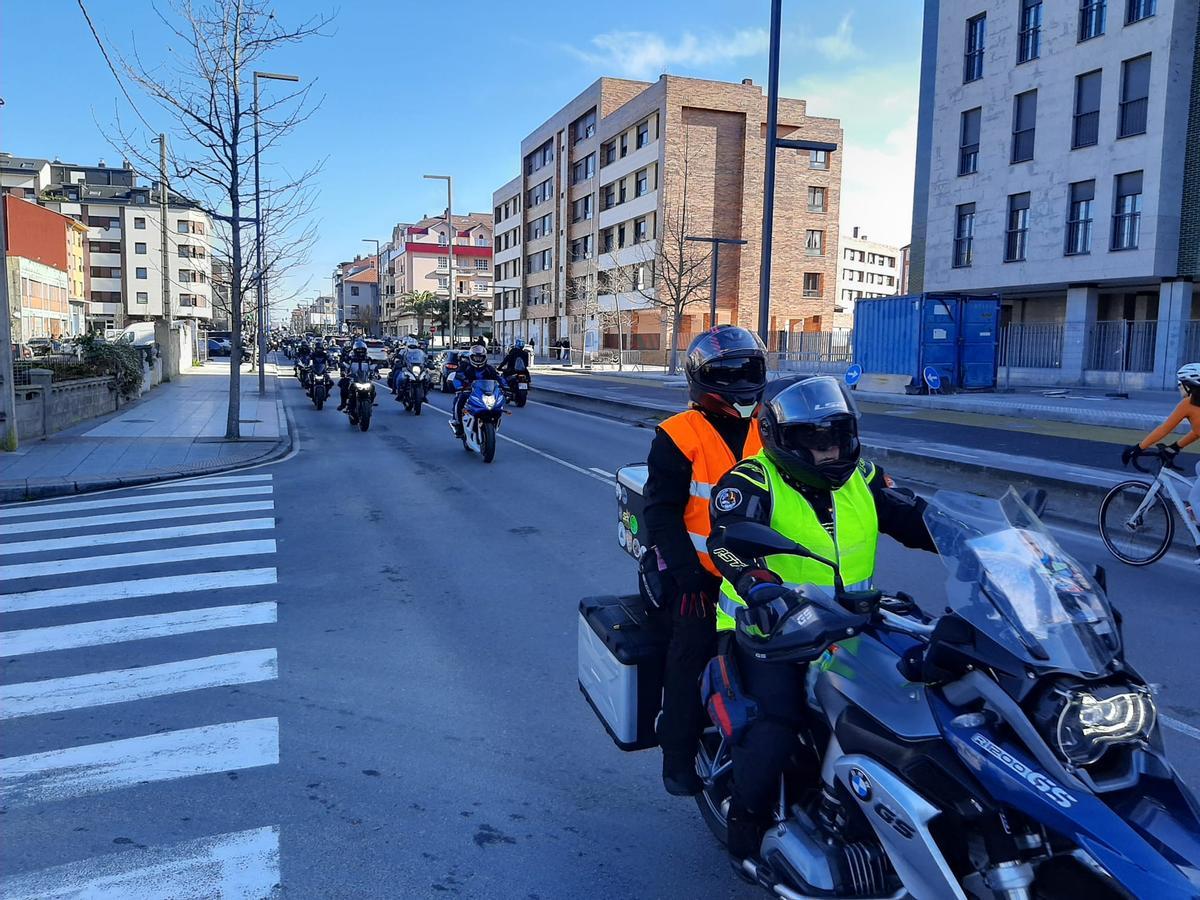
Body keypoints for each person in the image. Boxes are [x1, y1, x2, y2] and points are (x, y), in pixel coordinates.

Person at [704, 376, 936, 865]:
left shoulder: (863, 478)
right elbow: (724, 542)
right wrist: (758, 586)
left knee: (924, 701)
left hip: (853, 625)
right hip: (768, 631)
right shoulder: (751, 481)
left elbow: (917, 520)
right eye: (813, 441)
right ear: (780, 439)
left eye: (835, 438)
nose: (829, 452)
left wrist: (975, 543)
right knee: (777, 723)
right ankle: (744, 824)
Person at [642, 325, 769, 797]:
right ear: (702, 380)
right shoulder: (679, 434)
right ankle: (676, 756)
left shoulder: (770, 425)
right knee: (689, 658)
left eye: (748, 370)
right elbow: (660, 511)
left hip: (761, 574)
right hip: (701, 579)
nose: (740, 382)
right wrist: (688, 576)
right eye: (727, 373)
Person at [1123, 363, 1200, 535]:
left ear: (1190, 385)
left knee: (1195, 499)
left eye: (1180, 383)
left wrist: (1138, 448)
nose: (1179, 387)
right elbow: (1197, 431)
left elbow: (1164, 429)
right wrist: (1176, 446)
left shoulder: (1187, 404)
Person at [450, 344, 505, 437]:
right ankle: (458, 422)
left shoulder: (489, 368)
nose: (478, 360)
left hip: (486, 393)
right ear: (471, 357)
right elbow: (457, 377)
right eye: (476, 358)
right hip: (469, 392)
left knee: (499, 401)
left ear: (485, 358)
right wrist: (460, 387)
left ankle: (494, 420)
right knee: (459, 399)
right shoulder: (465, 367)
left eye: (480, 358)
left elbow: (498, 377)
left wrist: (505, 386)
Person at [337, 339, 374, 412]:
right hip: (353, 379)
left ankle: (370, 403)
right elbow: (344, 364)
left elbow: (373, 366)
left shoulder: (368, 359)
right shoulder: (350, 359)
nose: (360, 352)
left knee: (373, 388)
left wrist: (376, 372)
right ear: (355, 350)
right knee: (344, 387)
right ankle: (343, 404)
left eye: (362, 350)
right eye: (358, 350)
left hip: (365, 379)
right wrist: (343, 371)